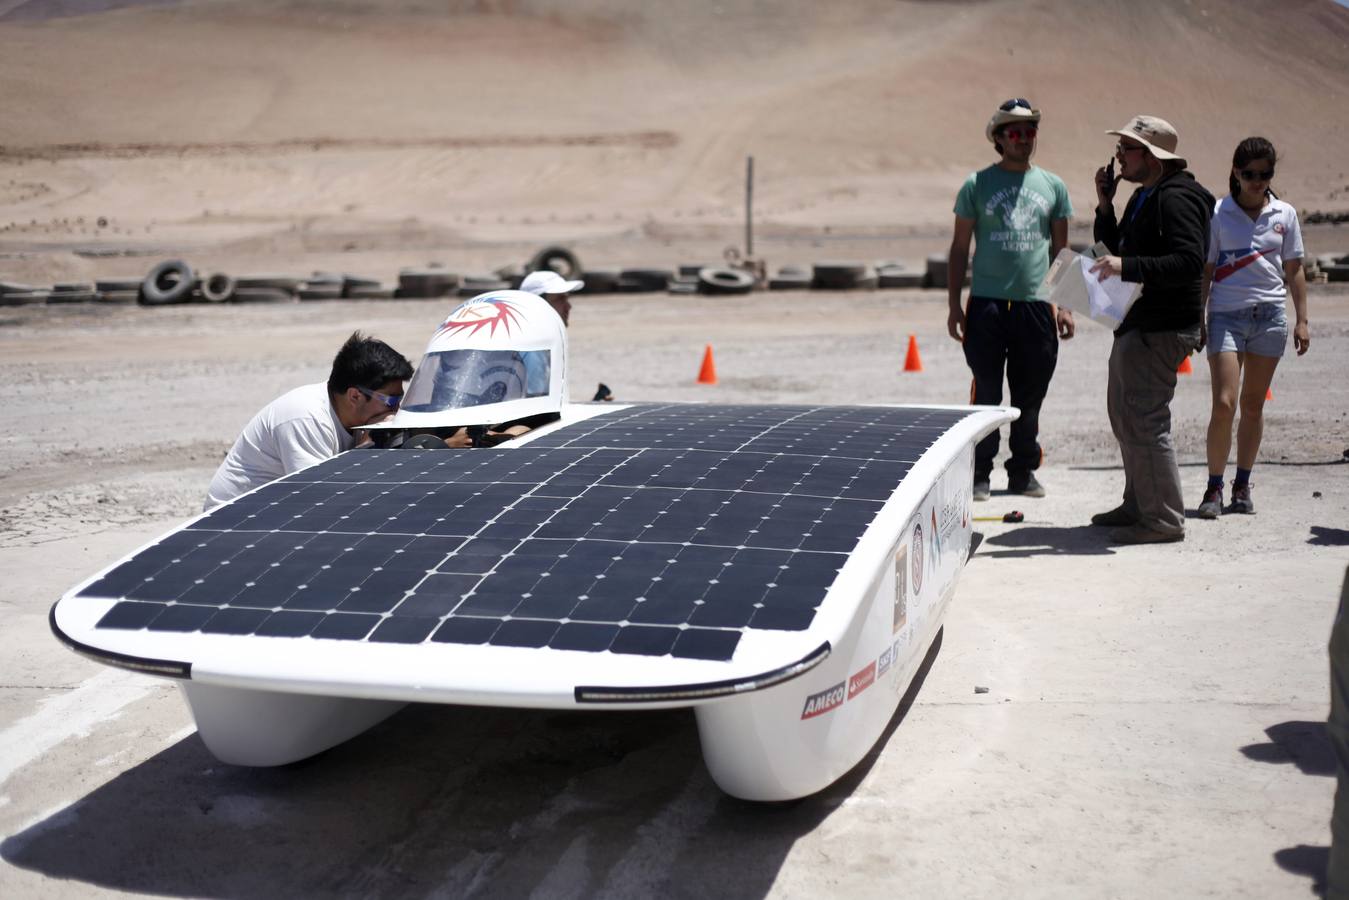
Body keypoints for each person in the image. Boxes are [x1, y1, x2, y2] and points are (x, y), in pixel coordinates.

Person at [1088, 115, 1214, 544]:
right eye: (1120, 148)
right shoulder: (1146, 196)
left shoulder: (1177, 198)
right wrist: (1105, 205)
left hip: (1159, 327)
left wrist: (1129, 266)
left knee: (1144, 418)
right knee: (1126, 416)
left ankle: (1162, 519)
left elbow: (1188, 262)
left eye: (1128, 148)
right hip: (1137, 323)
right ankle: (1139, 503)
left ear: (1154, 157)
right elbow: (1115, 250)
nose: (1119, 156)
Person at [947, 98, 1074, 502]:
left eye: (1030, 131)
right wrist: (953, 304)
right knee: (986, 390)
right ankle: (980, 473)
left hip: (1035, 305)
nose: (1024, 139)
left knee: (1030, 392)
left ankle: (1022, 471)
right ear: (999, 139)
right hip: (986, 302)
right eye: (1015, 132)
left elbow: (1061, 252)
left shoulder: (1053, 186)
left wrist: (1066, 304)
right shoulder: (976, 185)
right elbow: (958, 248)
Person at [1196, 137, 1310, 518]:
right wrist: (1199, 316)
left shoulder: (1284, 214)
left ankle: (1241, 485)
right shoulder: (1218, 213)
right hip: (1226, 316)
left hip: (1270, 318)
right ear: (1235, 173)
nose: (1258, 181)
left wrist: (1303, 320)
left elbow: (1294, 269)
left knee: (1253, 405)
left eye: (1265, 174)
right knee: (1225, 403)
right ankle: (1213, 487)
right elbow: (1207, 270)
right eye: (1250, 174)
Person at [205, 332, 413, 509]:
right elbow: (320, 502)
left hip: (278, 512)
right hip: (237, 521)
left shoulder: (351, 415)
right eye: (391, 400)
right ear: (355, 396)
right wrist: (366, 449)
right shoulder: (305, 417)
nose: (396, 409)